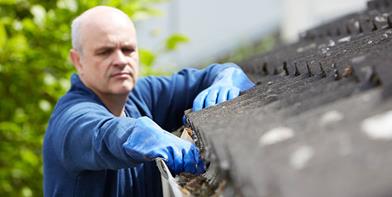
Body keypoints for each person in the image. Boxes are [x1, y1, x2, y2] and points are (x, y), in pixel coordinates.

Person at [43, 5, 254, 197]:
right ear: (78, 61)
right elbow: (100, 132)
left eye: (128, 49)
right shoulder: (69, 120)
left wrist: (227, 77)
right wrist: (136, 133)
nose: (120, 60)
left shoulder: (143, 94)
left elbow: (214, 73)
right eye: (105, 52)